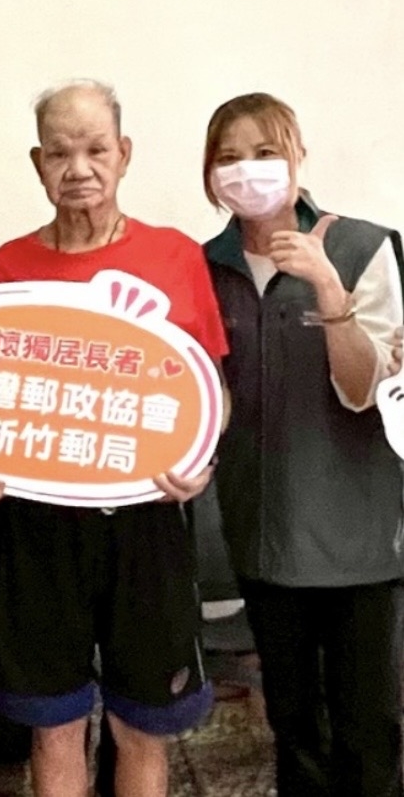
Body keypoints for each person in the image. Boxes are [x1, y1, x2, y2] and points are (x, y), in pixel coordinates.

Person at [0, 80, 228, 797]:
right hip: (39, 526)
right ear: (38, 163)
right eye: (60, 152)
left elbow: (209, 386)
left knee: (139, 726)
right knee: (53, 726)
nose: (78, 168)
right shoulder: (5, 270)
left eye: (95, 149)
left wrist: (201, 456)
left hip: (146, 518)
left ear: (124, 154)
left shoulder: (176, 256)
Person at [202, 92, 404, 796]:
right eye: (228, 157)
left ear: (296, 157)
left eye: (264, 152)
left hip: (358, 536)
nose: (246, 169)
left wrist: (326, 286)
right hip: (261, 530)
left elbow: (365, 388)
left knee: (368, 723)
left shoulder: (362, 247)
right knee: (292, 724)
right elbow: (201, 395)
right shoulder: (206, 267)